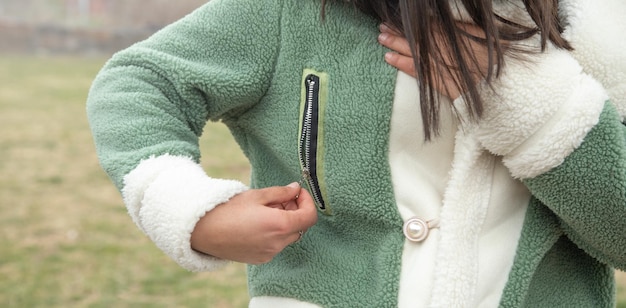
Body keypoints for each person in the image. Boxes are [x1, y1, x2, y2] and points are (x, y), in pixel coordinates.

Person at [86, 0, 626, 306]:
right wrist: (189, 210)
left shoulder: (598, 30)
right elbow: (138, 81)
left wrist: (528, 102)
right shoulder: (289, 11)